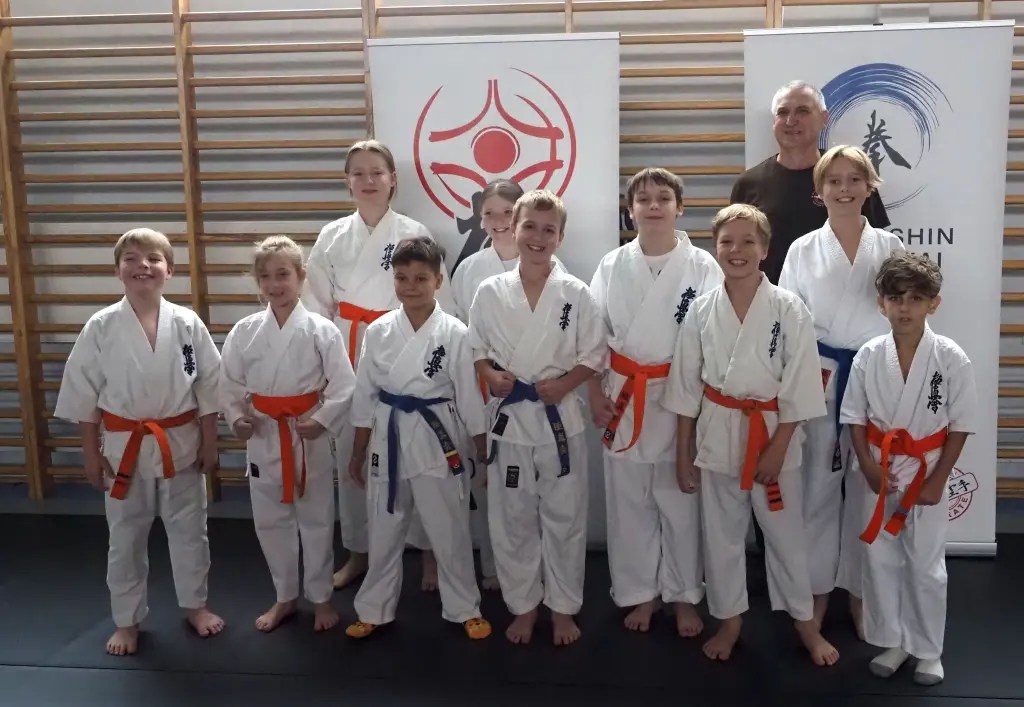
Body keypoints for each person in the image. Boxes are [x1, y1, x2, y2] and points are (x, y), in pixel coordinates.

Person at [664, 204, 839, 666]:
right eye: (726, 241)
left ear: (765, 249)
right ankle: (730, 620)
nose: (736, 250)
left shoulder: (789, 308)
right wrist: (683, 455)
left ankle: (805, 622)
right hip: (718, 433)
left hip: (773, 434)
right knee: (721, 537)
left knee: (786, 537)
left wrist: (779, 447)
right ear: (715, 247)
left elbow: (802, 384)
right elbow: (685, 388)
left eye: (747, 241)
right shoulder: (702, 309)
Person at [53, 228, 224, 656]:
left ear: (170, 270)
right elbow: (84, 396)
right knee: (126, 537)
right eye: (130, 258)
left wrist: (210, 441)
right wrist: (90, 453)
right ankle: (127, 620)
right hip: (123, 447)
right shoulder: (101, 326)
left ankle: (196, 605)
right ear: (117, 271)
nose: (142, 265)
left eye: (152, 258)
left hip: (181, 442)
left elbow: (208, 386)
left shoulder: (187, 323)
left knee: (191, 531)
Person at [303, 139, 449, 591]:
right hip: (348, 349)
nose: (368, 181)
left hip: (403, 344)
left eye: (377, 172)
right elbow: (316, 306)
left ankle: (429, 553)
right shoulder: (332, 236)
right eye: (359, 173)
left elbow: (432, 295)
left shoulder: (412, 230)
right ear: (347, 182)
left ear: (392, 180)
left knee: (420, 457)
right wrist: (324, 361)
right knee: (354, 453)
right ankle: (359, 551)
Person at [468, 189, 607, 646]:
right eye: (530, 226)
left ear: (560, 237)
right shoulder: (490, 292)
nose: (538, 237)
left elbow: (594, 354)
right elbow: (477, 350)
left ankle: (563, 608)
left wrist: (566, 384)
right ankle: (523, 606)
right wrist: (490, 375)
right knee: (512, 521)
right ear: (514, 228)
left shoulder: (576, 293)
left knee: (565, 519)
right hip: (510, 422)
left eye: (549, 230)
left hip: (558, 419)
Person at [588, 168, 723, 636]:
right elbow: (593, 334)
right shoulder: (612, 265)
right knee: (629, 504)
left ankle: (683, 594)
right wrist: (594, 392)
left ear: (679, 208)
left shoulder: (702, 266)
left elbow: (714, 337)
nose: (653, 206)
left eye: (663, 198)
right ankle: (639, 593)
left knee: (680, 501)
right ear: (630, 210)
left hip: (679, 395)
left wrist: (704, 405)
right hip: (624, 393)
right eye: (643, 199)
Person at [778, 145, 906, 636]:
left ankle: (860, 591)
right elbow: (790, 321)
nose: (844, 189)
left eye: (855, 179)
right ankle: (815, 593)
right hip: (823, 374)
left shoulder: (889, 246)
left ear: (869, 187)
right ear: (819, 190)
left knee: (868, 489)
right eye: (833, 180)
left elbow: (904, 316)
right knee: (818, 486)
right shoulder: (802, 249)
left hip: (875, 374)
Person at [344, 237, 492, 641]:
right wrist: (357, 452)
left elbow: (469, 395)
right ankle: (374, 609)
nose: (410, 286)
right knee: (383, 530)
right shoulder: (378, 331)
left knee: (449, 528)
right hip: (388, 435)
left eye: (421, 278)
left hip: (437, 436)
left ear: (438, 281)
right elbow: (364, 396)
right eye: (402, 278)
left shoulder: (455, 332)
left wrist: (482, 448)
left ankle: (464, 607)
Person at [840, 252, 975, 686]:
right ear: (881, 304)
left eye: (915, 299)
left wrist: (938, 479)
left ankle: (928, 649)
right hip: (879, 468)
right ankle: (893, 641)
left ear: (933, 303)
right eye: (896, 298)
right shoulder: (869, 355)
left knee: (925, 563)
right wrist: (866, 465)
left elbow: (961, 424)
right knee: (879, 558)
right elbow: (854, 417)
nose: (904, 308)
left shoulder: (950, 357)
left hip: (925, 468)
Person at [220, 236, 356, 633]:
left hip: (308, 433)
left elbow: (344, 385)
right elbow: (228, 385)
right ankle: (284, 596)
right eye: (265, 277)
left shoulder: (321, 329)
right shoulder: (244, 331)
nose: (275, 284)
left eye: (283, 274)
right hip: (264, 433)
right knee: (270, 521)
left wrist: (324, 419)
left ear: (301, 276)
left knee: (316, 519)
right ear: (257, 282)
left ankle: (321, 597)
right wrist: (236, 419)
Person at [730, 80, 890, 285]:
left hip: (844, 296)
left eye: (802, 111)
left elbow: (876, 247)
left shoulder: (851, 177)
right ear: (773, 121)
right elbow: (736, 250)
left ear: (824, 118)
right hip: (770, 299)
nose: (791, 121)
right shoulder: (748, 184)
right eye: (782, 112)